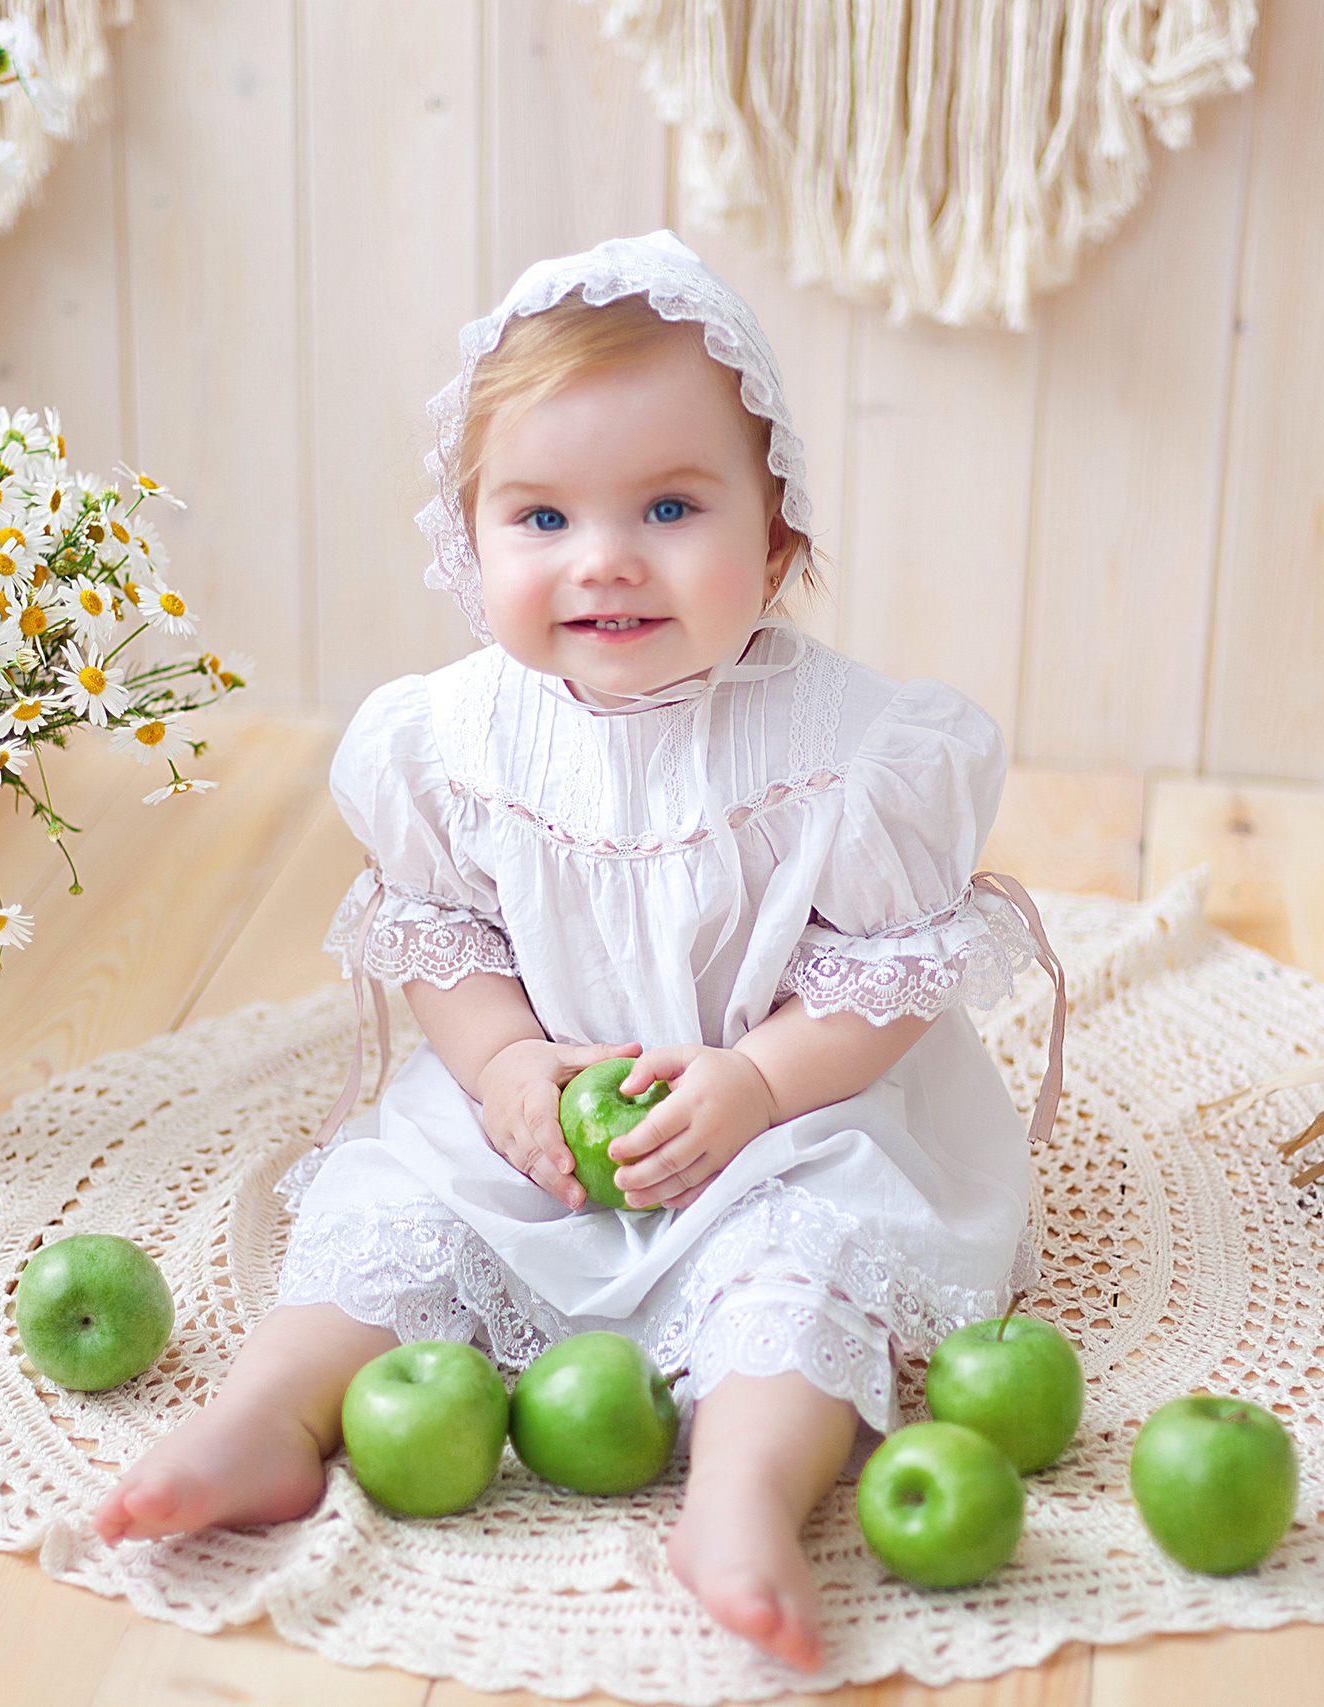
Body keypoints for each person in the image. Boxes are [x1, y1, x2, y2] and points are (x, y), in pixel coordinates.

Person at [92, 231, 1058, 1672]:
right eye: (540, 519)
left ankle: (740, 1502)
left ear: (777, 535)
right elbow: (446, 936)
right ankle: (268, 1417)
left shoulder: (854, 750)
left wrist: (757, 1083)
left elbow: (885, 979)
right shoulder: (454, 739)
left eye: (670, 506)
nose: (603, 560)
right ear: (467, 539)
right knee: (392, 1217)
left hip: (786, 1115)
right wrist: (500, 1064)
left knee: (804, 1266)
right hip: (538, 1110)